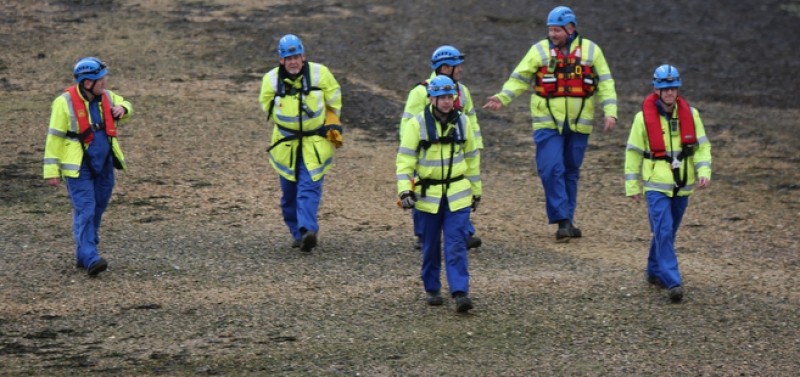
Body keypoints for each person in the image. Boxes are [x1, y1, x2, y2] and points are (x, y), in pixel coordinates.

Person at [483, 6, 617, 242]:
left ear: (571, 29)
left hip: (579, 124)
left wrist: (610, 112)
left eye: (557, 30)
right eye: (550, 29)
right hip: (547, 123)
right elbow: (520, 78)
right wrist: (502, 98)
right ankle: (562, 219)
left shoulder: (591, 51)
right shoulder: (539, 51)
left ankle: (567, 220)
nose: (553, 34)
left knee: (570, 171)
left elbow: (605, 83)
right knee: (551, 169)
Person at [624, 64, 711, 302]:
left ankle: (653, 270)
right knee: (662, 229)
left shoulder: (691, 115)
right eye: (665, 88)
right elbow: (632, 152)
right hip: (656, 185)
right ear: (656, 89)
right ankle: (673, 281)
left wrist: (704, 170)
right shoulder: (642, 119)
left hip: (683, 184)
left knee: (668, 232)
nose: (670, 92)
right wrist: (632, 185)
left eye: (673, 87)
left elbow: (702, 146)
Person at [396, 75, 482, 313]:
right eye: (441, 97)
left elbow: (473, 159)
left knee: (456, 244)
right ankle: (432, 288)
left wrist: (476, 192)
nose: (446, 101)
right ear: (431, 98)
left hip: (458, 194)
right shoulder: (416, 124)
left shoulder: (463, 122)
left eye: (449, 96)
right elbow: (404, 160)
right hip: (427, 197)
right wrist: (404, 191)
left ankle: (460, 292)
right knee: (430, 246)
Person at [43, 57, 133, 276]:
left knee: (99, 206)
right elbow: (53, 138)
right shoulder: (63, 103)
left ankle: (84, 252)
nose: (105, 82)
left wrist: (123, 108)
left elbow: (127, 104)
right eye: (100, 79)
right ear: (87, 83)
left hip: (104, 163)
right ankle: (90, 256)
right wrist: (51, 170)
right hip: (78, 166)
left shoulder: (108, 97)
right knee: (86, 208)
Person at [259, 34, 343, 252]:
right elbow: (266, 105)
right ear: (281, 60)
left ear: (303, 56)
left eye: (296, 56)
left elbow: (334, 98)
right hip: (285, 145)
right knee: (289, 195)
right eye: (288, 58)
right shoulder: (270, 81)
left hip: (315, 144)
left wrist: (332, 121)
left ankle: (307, 231)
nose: (293, 61)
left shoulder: (320, 73)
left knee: (309, 188)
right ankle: (297, 232)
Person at [400, 45, 482, 251]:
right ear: (445, 68)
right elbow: (408, 122)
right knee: (423, 189)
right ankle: (422, 234)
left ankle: (464, 232)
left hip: (455, 149)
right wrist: (413, 149)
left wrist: (476, 145)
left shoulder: (462, 91)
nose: (461, 69)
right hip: (425, 151)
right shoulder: (420, 92)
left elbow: (471, 119)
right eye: (457, 66)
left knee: (456, 189)